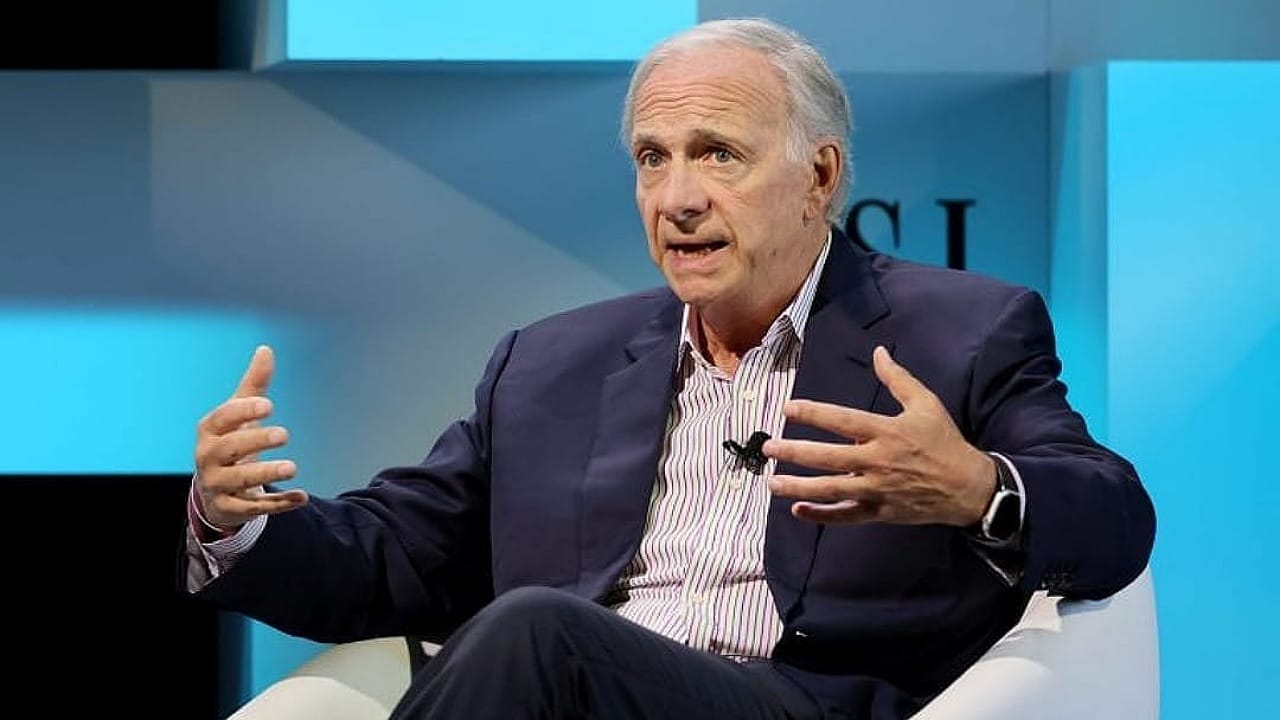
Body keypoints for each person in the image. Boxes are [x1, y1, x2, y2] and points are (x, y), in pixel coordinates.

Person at [184, 17, 1156, 720]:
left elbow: (1113, 516)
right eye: (653, 158)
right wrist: (236, 520)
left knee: (535, 632)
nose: (677, 197)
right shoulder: (552, 362)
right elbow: (398, 554)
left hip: (802, 703)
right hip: (573, 697)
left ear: (818, 177)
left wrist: (976, 488)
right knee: (534, 640)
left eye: (717, 154)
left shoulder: (962, 332)